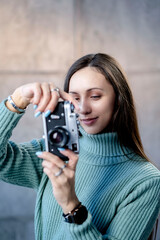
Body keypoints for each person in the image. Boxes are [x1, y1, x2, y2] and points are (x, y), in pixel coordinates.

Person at [0, 53, 160, 240]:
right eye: (75, 98)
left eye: (95, 96)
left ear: (118, 99)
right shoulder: (54, 153)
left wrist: (71, 205)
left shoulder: (146, 181)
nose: (83, 108)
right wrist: (18, 99)